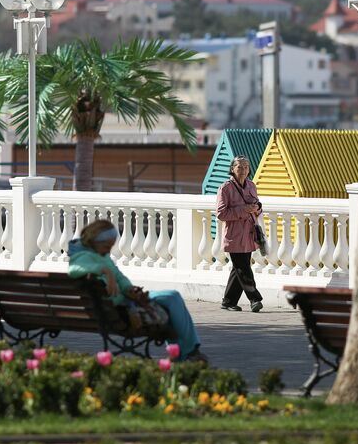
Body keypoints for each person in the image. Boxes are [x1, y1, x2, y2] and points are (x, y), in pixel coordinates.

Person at [67, 219, 208, 362]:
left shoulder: (99, 255)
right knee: (172, 297)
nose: (109, 250)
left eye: (111, 246)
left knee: (171, 300)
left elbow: (119, 277)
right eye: (106, 246)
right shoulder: (82, 256)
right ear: (95, 241)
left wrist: (129, 289)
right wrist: (105, 271)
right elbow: (74, 270)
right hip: (120, 309)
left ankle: (183, 352)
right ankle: (189, 352)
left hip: (120, 303)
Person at [216, 155, 264, 313]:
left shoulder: (251, 185)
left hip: (249, 233)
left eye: (246, 167)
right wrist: (244, 210)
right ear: (232, 169)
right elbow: (221, 214)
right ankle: (255, 298)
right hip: (234, 235)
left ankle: (228, 301)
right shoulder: (225, 188)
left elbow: (257, 206)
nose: (243, 170)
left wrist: (257, 208)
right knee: (243, 268)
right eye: (239, 167)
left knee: (238, 269)